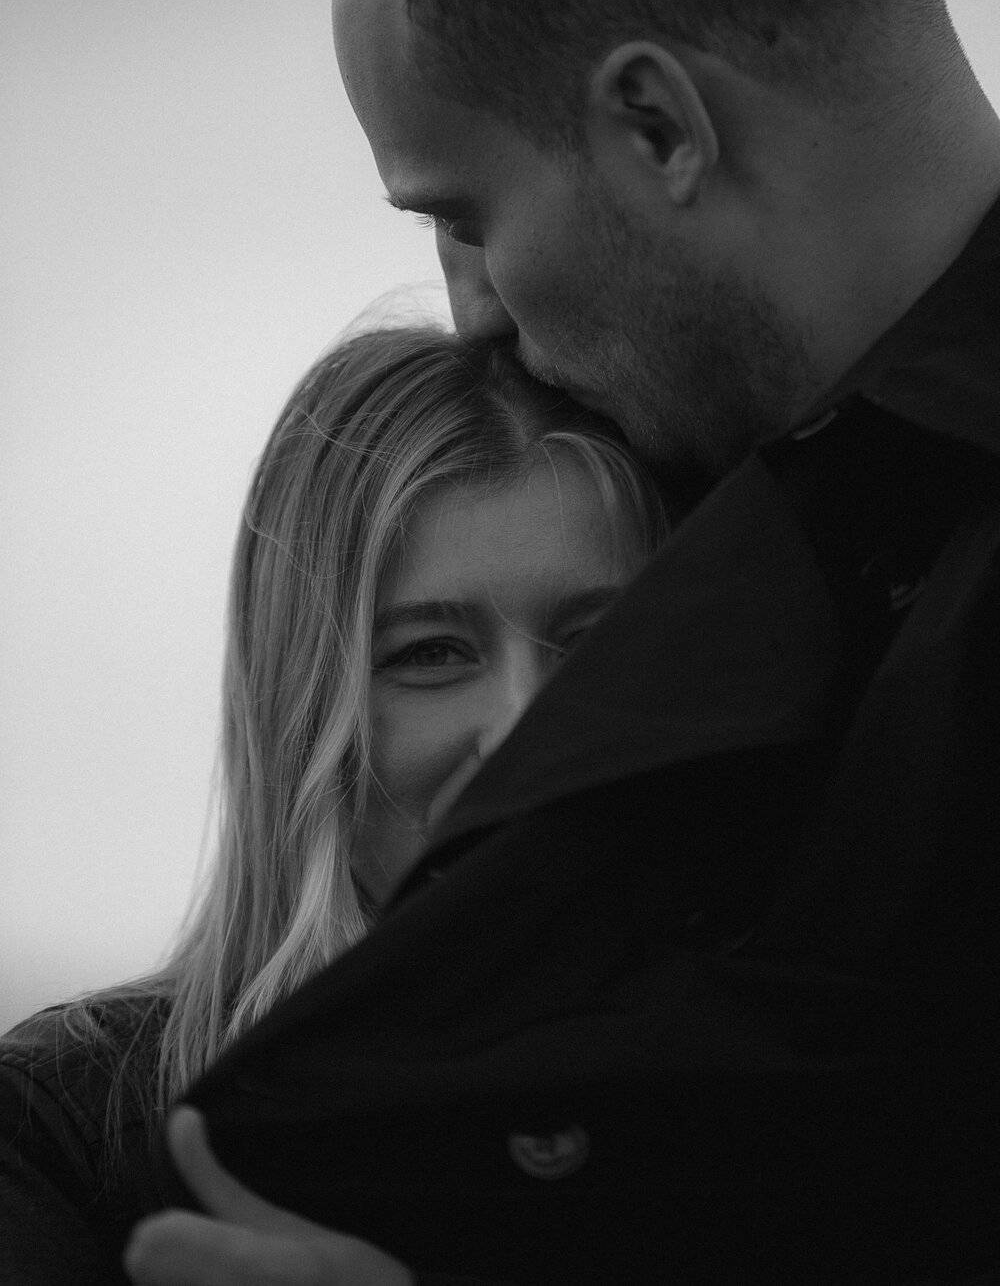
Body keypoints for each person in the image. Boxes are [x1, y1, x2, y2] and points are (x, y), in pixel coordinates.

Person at [130, 0, 1000, 1282]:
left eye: (467, 215)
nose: (472, 315)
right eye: (428, 651)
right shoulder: (819, 544)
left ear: (658, 124)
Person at [0, 323, 669, 1285]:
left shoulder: (822, 1093)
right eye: (430, 653)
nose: (525, 727)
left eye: (596, 640)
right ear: (304, 712)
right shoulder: (60, 1136)